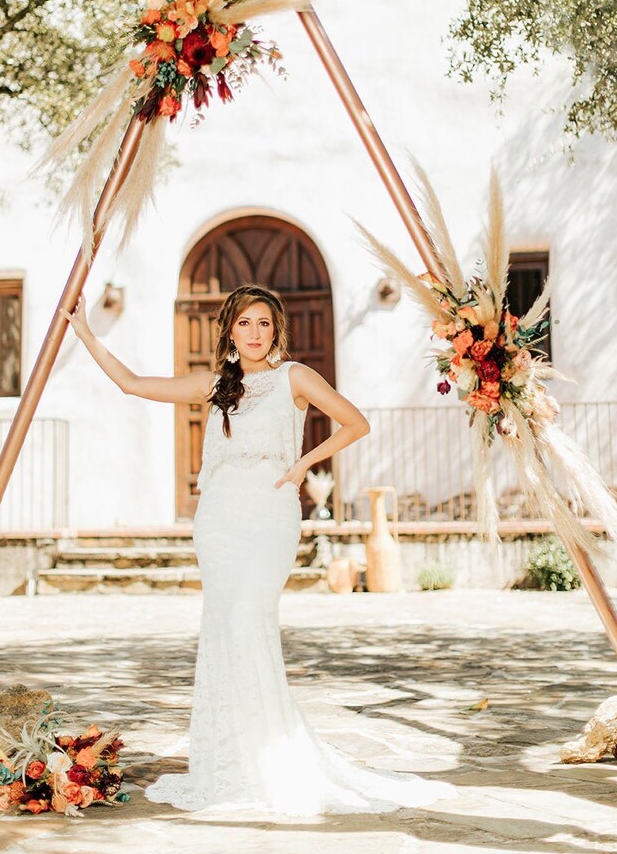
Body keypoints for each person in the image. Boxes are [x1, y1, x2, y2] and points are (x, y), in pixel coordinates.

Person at [63, 282, 455, 815]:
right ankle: (232, 758)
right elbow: (132, 384)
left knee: (251, 619)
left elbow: (356, 423)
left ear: (277, 330)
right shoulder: (216, 386)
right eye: (244, 323)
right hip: (218, 519)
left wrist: (300, 465)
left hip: (269, 514)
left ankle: (273, 753)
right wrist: (84, 331)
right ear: (229, 329)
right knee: (226, 630)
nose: (254, 332)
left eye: (264, 323)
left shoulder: (295, 377)